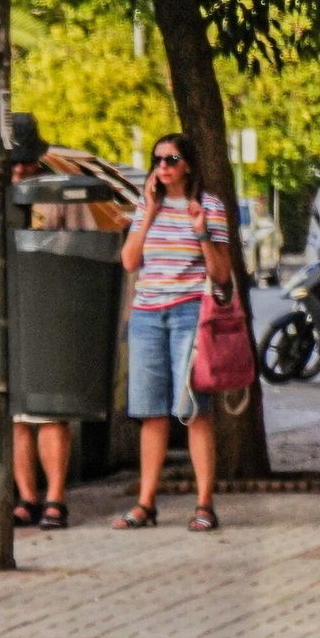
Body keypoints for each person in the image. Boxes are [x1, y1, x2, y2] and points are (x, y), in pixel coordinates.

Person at [114, 133, 232, 533]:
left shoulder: (209, 206)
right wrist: (147, 212)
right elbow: (129, 261)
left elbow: (220, 272)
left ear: (189, 165)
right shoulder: (146, 205)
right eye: (157, 159)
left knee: (194, 410)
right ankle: (146, 503)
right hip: (147, 316)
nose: (162, 166)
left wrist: (200, 231)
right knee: (151, 412)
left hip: (189, 315)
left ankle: (204, 503)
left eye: (171, 159)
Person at [7, 114, 75, 530]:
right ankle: (26, 497)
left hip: (50, 309)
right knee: (17, 413)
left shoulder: (58, 195)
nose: (19, 168)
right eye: (13, 161)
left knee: (51, 409)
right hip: (11, 311)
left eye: (26, 161)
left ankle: (55, 497)